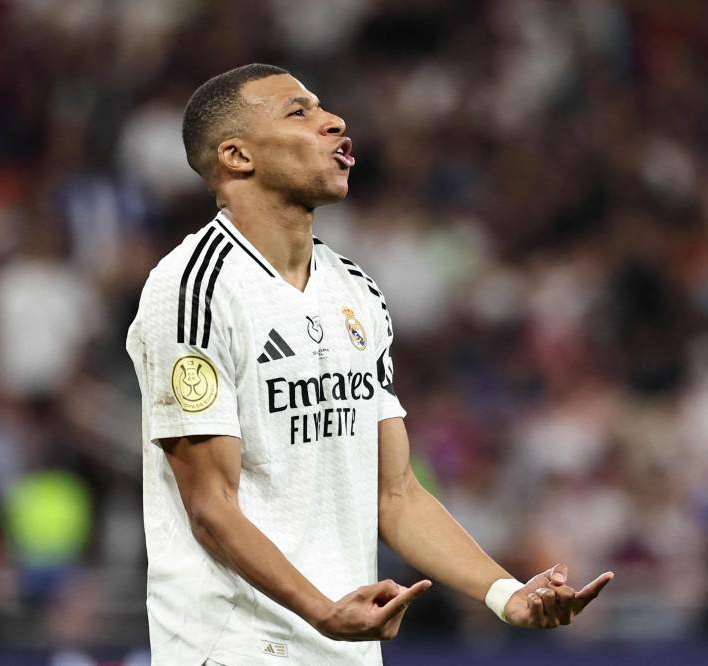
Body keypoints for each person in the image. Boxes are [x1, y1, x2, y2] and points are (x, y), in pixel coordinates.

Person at [125, 63, 613, 666]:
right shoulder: (194, 291)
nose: (334, 122)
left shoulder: (356, 291)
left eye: (325, 108)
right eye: (299, 112)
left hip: (343, 650)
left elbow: (397, 493)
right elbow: (211, 506)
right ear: (237, 156)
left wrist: (506, 594)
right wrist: (321, 611)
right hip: (237, 647)